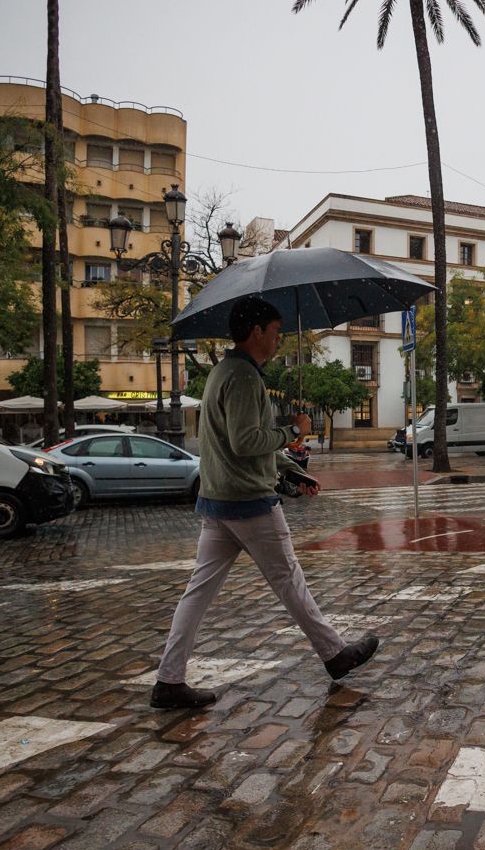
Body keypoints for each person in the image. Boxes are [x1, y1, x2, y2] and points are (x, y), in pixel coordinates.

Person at [151, 296, 378, 709]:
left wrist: (291, 468)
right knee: (289, 580)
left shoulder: (222, 372)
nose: (278, 341)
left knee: (197, 593)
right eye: (275, 332)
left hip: (218, 501)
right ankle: (335, 654)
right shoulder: (244, 377)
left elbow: (239, 441)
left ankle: (168, 680)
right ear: (256, 331)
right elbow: (245, 442)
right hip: (248, 501)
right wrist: (292, 430)